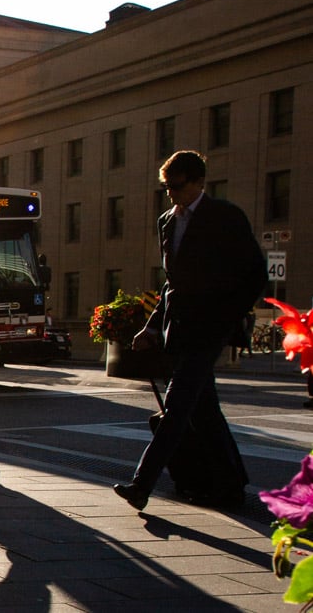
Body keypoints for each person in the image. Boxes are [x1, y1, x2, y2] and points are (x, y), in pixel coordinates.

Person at [115, 150, 263, 510]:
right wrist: (152, 326)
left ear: (199, 182)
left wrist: (227, 319)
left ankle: (141, 484)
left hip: (209, 330)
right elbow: (172, 284)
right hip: (179, 329)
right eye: (166, 187)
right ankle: (231, 485)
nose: (171, 195)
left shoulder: (225, 217)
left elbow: (255, 273)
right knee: (205, 411)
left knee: (178, 407)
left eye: (177, 187)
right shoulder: (167, 220)